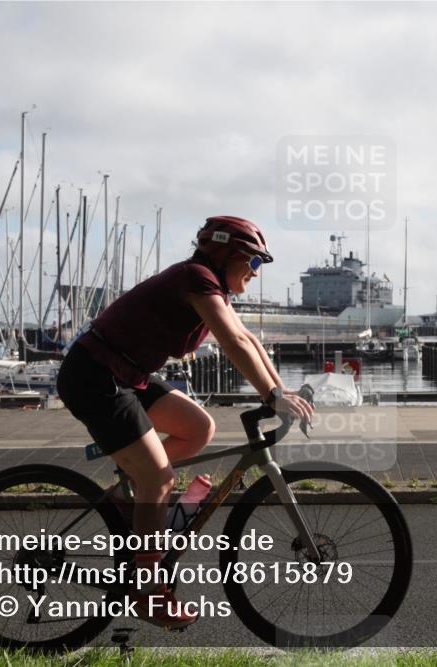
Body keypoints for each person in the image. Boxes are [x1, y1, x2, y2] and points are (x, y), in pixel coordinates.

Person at [56, 215, 314, 628]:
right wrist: (273, 396)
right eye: (253, 262)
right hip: (95, 375)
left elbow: (248, 341)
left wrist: (282, 393)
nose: (255, 272)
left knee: (198, 429)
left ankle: (132, 496)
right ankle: (147, 591)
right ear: (226, 253)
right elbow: (230, 343)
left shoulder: (213, 288)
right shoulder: (195, 277)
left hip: (128, 374)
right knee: (159, 479)